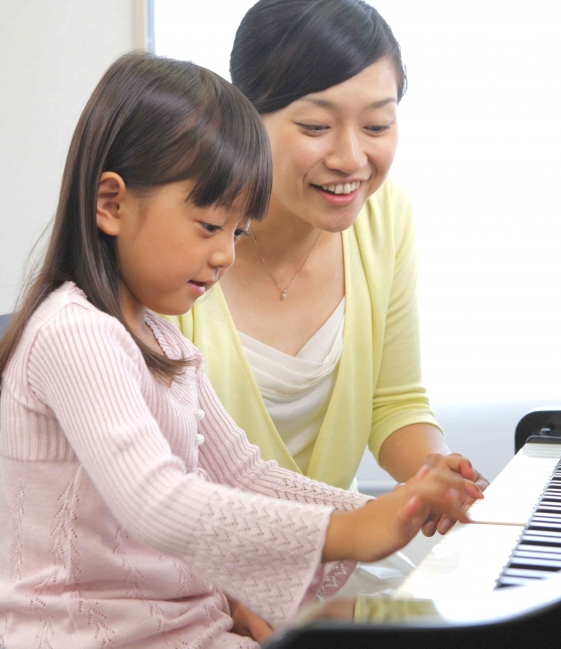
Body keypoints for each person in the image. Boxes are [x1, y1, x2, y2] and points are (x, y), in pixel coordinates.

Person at [0, 52, 480, 649]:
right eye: (209, 225)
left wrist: (394, 509)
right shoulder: (73, 333)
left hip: (184, 640)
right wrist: (353, 530)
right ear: (111, 204)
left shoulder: (165, 342)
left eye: (238, 233)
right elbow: (157, 502)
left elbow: (245, 475)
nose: (225, 256)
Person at [166, 0, 487, 546]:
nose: (351, 158)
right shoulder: (178, 235)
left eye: (377, 125)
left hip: (327, 558)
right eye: (316, 125)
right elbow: (162, 483)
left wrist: (438, 472)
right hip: (198, 567)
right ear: (246, 115)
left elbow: (396, 402)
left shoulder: (384, 218)